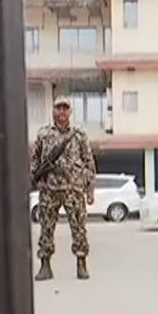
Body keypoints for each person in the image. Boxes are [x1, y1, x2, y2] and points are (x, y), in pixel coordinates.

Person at [30, 96, 96, 280]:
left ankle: (81, 264)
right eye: (58, 108)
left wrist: (90, 189)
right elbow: (35, 159)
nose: (61, 112)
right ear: (53, 111)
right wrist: (37, 180)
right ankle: (45, 266)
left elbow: (89, 162)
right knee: (46, 228)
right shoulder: (44, 134)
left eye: (65, 108)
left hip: (73, 189)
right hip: (49, 190)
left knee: (79, 228)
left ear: (70, 112)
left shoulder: (79, 135)